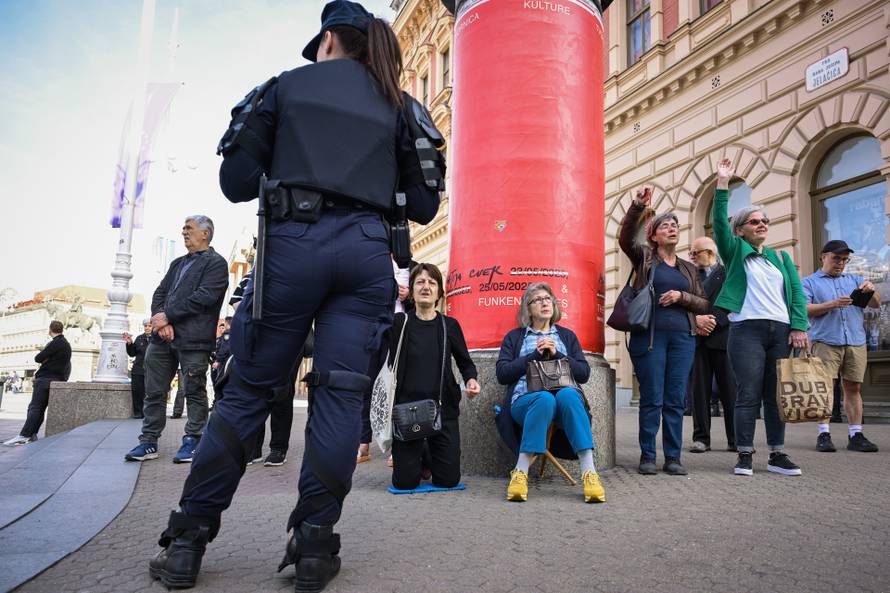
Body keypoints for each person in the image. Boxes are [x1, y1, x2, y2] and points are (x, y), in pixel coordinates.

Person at [148, 3, 443, 591]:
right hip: (364, 256)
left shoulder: (282, 89)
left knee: (249, 392)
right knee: (340, 399)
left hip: (291, 248)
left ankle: (187, 541)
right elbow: (427, 204)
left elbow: (234, 184)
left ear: (330, 39)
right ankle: (313, 546)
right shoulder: (403, 106)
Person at [711, 158, 809, 477]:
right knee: (749, 393)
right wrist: (722, 184)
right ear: (741, 230)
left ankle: (777, 455)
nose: (761, 224)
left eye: (764, 221)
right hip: (746, 331)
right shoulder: (736, 252)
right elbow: (720, 226)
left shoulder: (780, 257)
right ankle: (744, 453)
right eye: (754, 221)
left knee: (775, 396)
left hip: (779, 332)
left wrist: (798, 327)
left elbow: (795, 294)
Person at [618, 188, 709, 476]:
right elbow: (624, 238)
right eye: (665, 226)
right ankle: (647, 456)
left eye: (675, 226)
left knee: (674, 399)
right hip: (650, 338)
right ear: (654, 235)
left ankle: (673, 457)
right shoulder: (644, 257)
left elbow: (704, 302)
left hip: (683, 338)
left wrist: (681, 298)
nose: (672, 229)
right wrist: (637, 207)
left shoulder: (688, 268)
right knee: (652, 398)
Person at [124, 215, 228, 464]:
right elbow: (160, 292)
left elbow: (204, 297)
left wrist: (168, 316)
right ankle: (148, 441)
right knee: (154, 392)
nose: (183, 232)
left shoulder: (216, 264)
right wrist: (161, 321)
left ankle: (193, 439)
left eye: (189, 228)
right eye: (183, 228)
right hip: (162, 340)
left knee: (193, 390)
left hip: (194, 340)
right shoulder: (177, 263)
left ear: (205, 233)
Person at [496, 283, 605, 503]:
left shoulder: (566, 336)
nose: (545, 302)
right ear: (528, 307)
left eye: (548, 298)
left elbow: (583, 373)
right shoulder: (515, 337)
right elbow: (502, 374)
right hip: (525, 402)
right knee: (544, 399)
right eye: (538, 299)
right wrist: (532, 355)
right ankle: (520, 473)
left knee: (569, 395)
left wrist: (557, 354)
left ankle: (590, 473)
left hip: (564, 402)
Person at [389, 263, 479, 490]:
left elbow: (465, 362)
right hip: (406, 411)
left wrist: (471, 380)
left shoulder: (449, 325)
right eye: (420, 282)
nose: (426, 287)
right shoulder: (400, 323)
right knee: (404, 482)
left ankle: (427, 451)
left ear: (439, 292)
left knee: (448, 480)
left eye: (432, 282)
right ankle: (419, 451)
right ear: (411, 290)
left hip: (443, 409)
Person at [803, 240, 881, 453]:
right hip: (826, 341)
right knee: (825, 389)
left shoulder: (855, 280)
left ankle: (856, 434)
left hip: (855, 341)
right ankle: (823, 433)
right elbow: (805, 309)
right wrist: (832, 304)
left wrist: (871, 290)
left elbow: (876, 304)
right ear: (823, 257)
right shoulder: (809, 282)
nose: (840, 263)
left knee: (853, 388)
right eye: (836, 258)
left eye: (845, 260)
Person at [357, 256, 413, 466]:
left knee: (398, 387)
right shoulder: (371, 260)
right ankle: (363, 443)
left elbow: (425, 298)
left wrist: (407, 297)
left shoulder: (412, 266)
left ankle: (397, 445)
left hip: (400, 330)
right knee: (368, 385)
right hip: (373, 328)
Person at [689, 236, 736, 453]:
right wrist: (698, 323)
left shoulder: (729, 272)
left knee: (730, 391)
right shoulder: (690, 275)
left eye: (695, 253)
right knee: (699, 392)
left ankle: (735, 439)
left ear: (709, 252)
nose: (691, 257)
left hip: (723, 338)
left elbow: (733, 300)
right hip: (698, 339)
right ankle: (701, 438)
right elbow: (686, 302)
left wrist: (712, 322)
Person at [3, 321, 71, 446]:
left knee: (34, 408)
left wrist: (46, 358)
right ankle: (32, 434)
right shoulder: (66, 344)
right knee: (40, 409)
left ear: (50, 330)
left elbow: (38, 358)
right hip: (55, 379)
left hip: (45, 379)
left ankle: (24, 435)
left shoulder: (56, 343)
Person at [125, 319, 152, 419]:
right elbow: (132, 353)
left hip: (152, 371)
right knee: (137, 392)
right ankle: (138, 413)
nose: (147, 328)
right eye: (145, 326)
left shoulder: (157, 339)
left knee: (150, 393)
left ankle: (148, 413)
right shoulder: (139, 338)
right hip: (138, 370)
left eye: (149, 326)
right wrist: (129, 344)